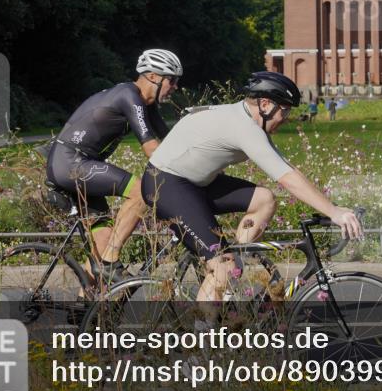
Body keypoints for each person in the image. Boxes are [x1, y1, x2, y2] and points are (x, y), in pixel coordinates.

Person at [141, 71, 363, 302]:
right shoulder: (244, 127)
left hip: (196, 182)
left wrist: (333, 207)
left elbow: (287, 167)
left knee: (264, 199)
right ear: (265, 104)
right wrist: (335, 213)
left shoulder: (246, 119)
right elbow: (286, 178)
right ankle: (204, 332)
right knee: (222, 269)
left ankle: (231, 275)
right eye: (284, 110)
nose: (286, 117)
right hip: (167, 184)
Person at [46, 49, 181, 284]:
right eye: (173, 80)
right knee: (141, 192)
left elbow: (169, 143)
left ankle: (84, 309)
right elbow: (151, 148)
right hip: (71, 162)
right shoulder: (129, 96)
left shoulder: (145, 105)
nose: (176, 86)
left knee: (102, 243)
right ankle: (110, 262)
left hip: (77, 164)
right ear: (153, 77)